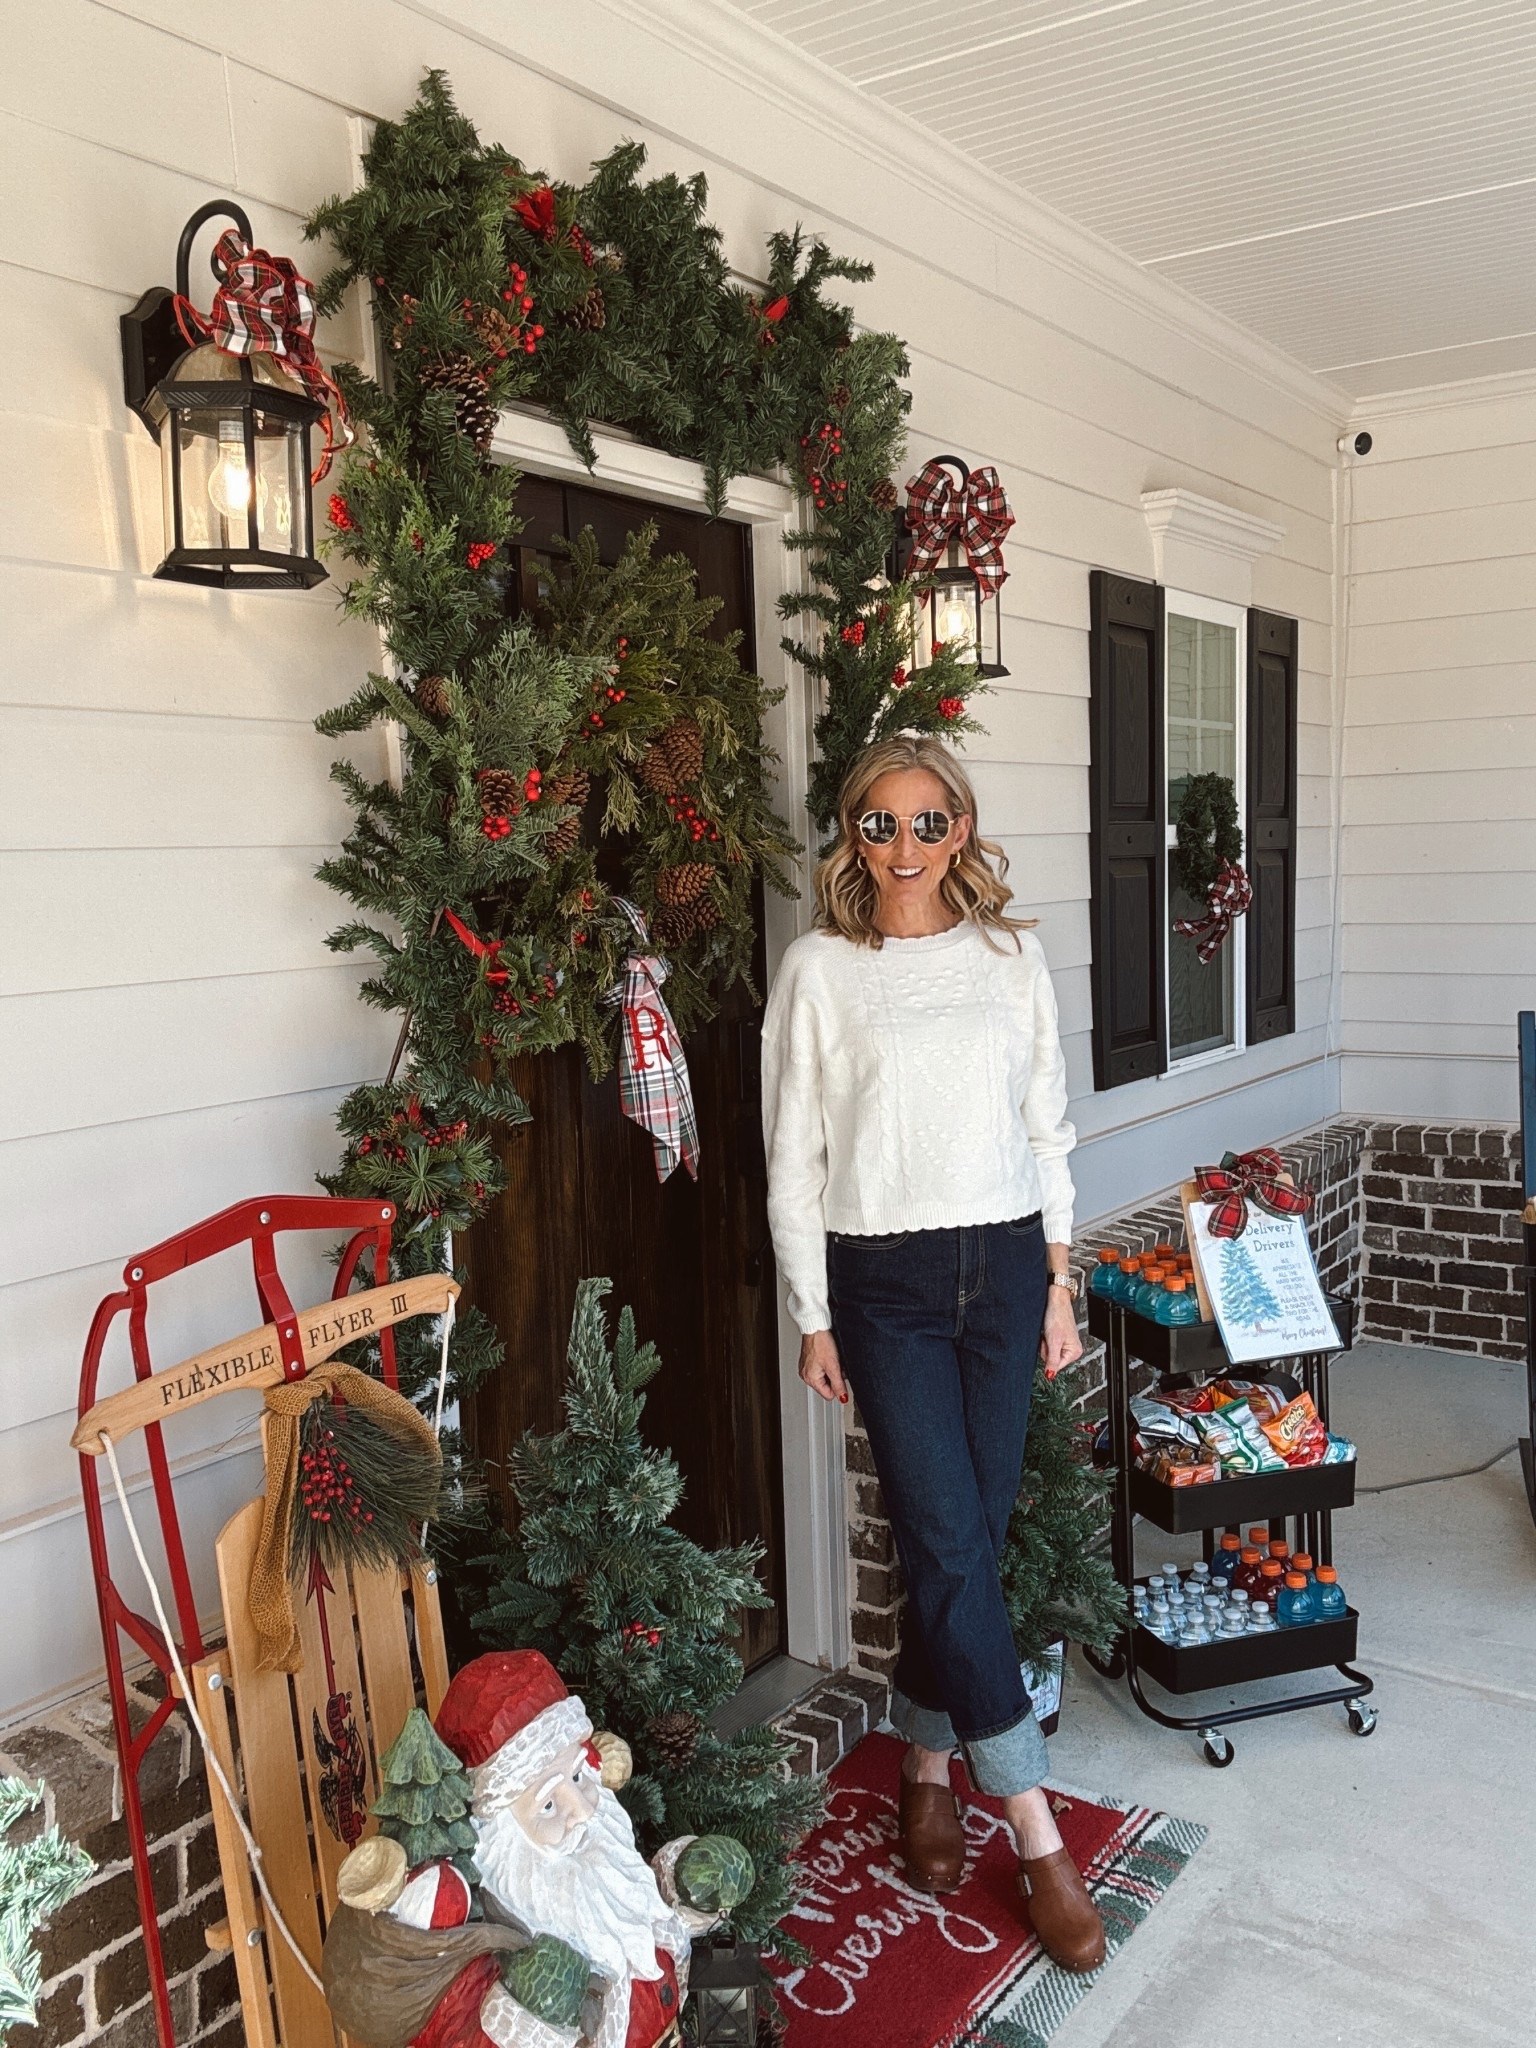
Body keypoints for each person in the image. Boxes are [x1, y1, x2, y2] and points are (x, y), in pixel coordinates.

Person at [760, 734, 1105, 1974]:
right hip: (885, 1281)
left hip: (1009, 1268)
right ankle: (1035, 1822)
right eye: (878, 824)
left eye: (928, 822)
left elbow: (1047, 1122)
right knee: (949, 1540)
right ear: (853, 837)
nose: (904, 847)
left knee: (971, 1530)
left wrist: (1060, 1282)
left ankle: (922, 1755)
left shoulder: (1012, 959)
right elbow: (794, 1153)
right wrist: (814, 1311)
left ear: (962, 827)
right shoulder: (817, 971)